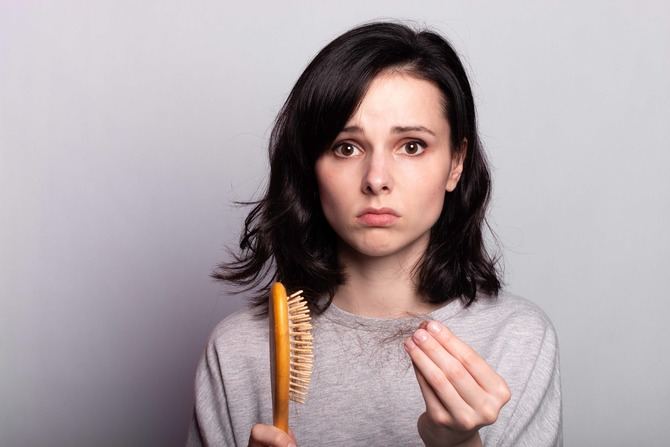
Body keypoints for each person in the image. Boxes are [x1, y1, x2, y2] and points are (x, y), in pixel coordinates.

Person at [186, 20, 563, 447]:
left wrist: (459, 444)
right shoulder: (239, 349)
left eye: (412, 146)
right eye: (346, 148)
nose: (376, 179)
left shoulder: (517, 339)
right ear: (312, 167)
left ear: (456, 162)